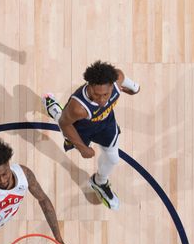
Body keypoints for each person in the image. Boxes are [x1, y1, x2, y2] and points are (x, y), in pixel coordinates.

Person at [42, 60, 140, 210]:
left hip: (106, 124)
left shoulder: (117, 78)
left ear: (113, 85)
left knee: (113, 159)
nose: (101, 100)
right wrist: (82, 148)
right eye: (96, 94)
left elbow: (130, 85)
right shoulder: (78, 107)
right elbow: (65, 124)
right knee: (63, 119)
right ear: (89, 86)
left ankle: (99, 182)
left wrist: (134, 89)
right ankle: (55, 110)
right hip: (81, 128)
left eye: (105, 94)